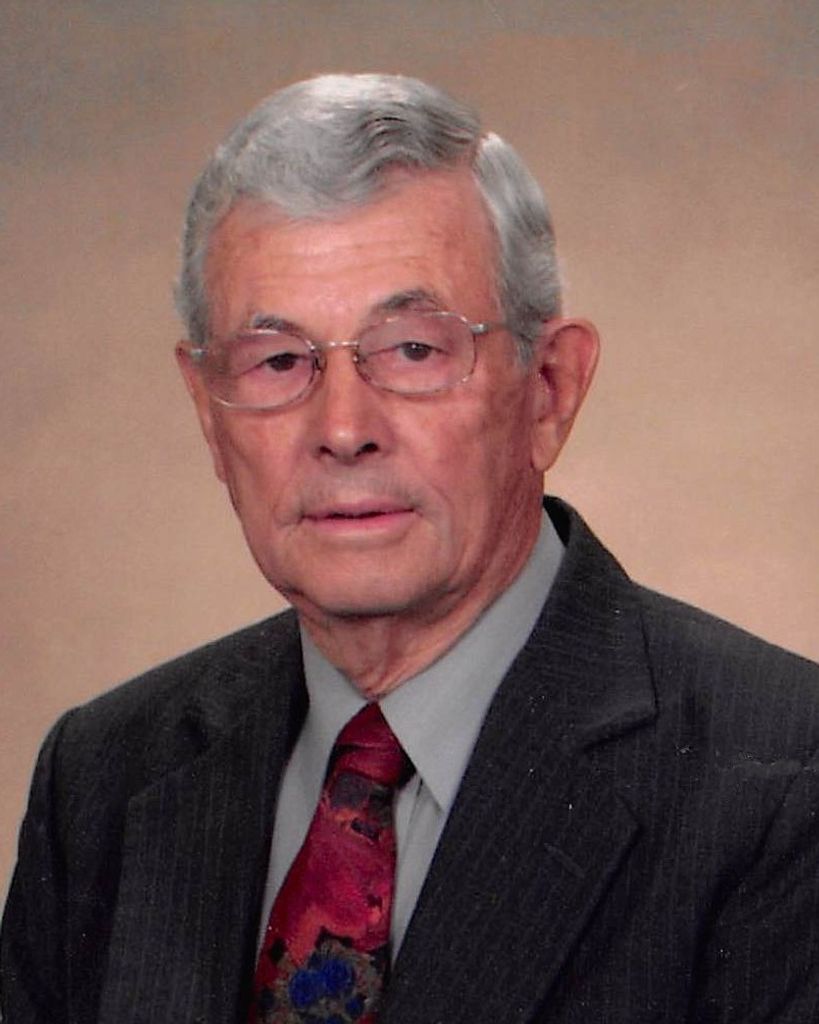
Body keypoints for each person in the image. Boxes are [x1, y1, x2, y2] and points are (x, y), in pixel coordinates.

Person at [2, 73, 819, 1024]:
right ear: (206, 412)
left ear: (549, 390)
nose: (343, 429)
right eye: (277, 361)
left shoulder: (783, 782)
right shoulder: (102, 775)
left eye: (413, 351)